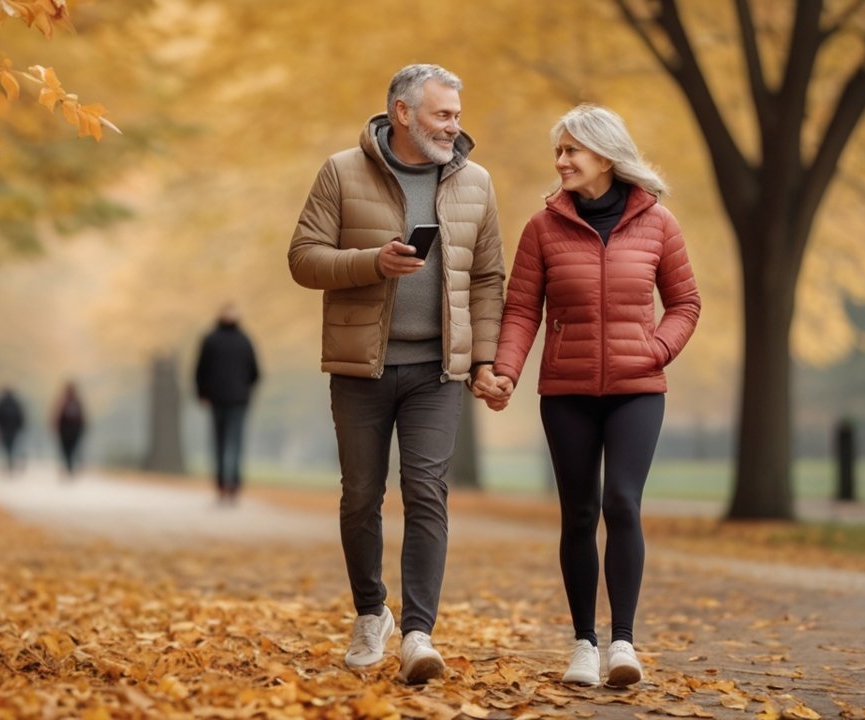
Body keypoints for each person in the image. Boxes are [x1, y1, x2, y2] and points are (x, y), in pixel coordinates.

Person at [287, 64, 505, 684]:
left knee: (427, 495)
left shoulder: (475, 182)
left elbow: (489, 277)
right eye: (443, 115)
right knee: (360, 496)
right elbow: (303, 258)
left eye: (457, 115)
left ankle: (417, 633)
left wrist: (483, 361)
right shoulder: (340, 171)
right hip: (362, 368)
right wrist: (370, 263)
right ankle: (369, 611)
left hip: (437, 371)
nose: (454, 126)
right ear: (403, 113)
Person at [482, 104, 701, 688]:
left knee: (622, 504)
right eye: (559, 152)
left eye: (571, 151)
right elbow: (523, 309)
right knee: (579, 513)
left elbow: (685, 304)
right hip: (567, 392)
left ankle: (624, 644)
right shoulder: (542, 228)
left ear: (605, 155)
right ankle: (584, 643)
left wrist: (655, 350)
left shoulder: (659, 224)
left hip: (637, 392)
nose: (560, 162)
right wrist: (505, 371)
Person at [194, 302, 261, 505]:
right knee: (233, 443)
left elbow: (199, 372)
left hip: (222, 399)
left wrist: (203, 393)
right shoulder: (244, 340)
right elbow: (255, 373)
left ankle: (225, 485)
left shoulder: (210, 339)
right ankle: (231, 485)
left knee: (222, 443)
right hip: (235, 400)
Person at [52, 381, 87, 477]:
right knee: (69, 450)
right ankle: (69, 467)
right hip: (71, 431)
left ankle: (69, 467)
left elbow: (57, 417)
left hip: (67, 432)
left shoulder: (64, 402)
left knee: (68, 451)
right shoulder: (75, 402)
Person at [0, 386, 27, 474]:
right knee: (13, 446)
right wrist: (20, 427)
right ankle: (10, 462)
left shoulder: (1, 402)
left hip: (4, 428)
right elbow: (21, 416)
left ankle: (8, 462)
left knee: (6, 446)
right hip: (14, 429)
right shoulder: (16, 402)